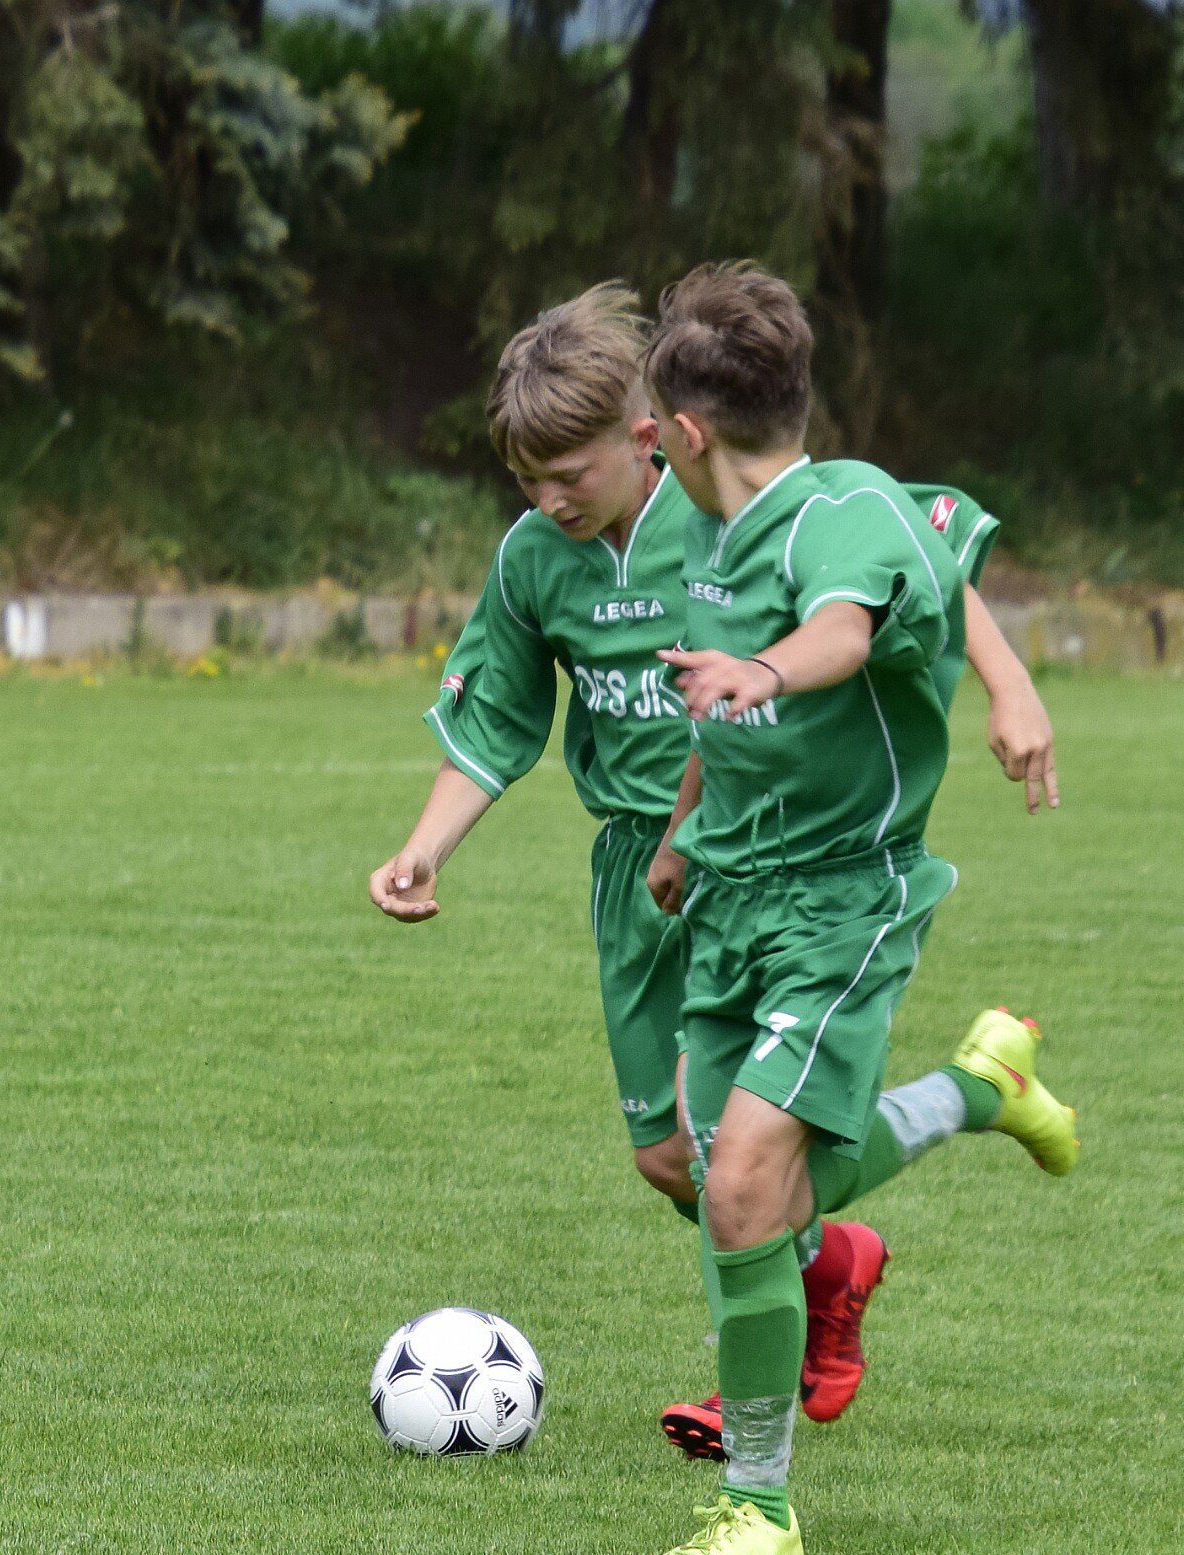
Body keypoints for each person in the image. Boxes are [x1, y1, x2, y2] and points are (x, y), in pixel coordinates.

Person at [367, 283, 1066, 1465]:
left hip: (763, 850)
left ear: (647, 436)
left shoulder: (727, 509)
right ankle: (842, 1246)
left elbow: (918, 558)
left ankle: (758, 1409)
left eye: (569, 474)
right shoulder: (536, 559)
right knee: (672, 1157)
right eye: (527, 480)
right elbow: (492, 724)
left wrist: (1009, 683)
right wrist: (426, 845)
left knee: (740, 1155)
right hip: (641, 864)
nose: (547, 499)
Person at [636, 262, 1079, 1555]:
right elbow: (718, 699)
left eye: (656, 427)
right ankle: (981, 1086)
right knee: (737, 1190)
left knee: (743, 1182)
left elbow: (848, 619)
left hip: (844, 898)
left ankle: (758, 1510)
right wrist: (680, 828)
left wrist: (1001, 683)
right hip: (730, 893)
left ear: (690, 430)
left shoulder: (851, 509)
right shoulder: (694, 525)